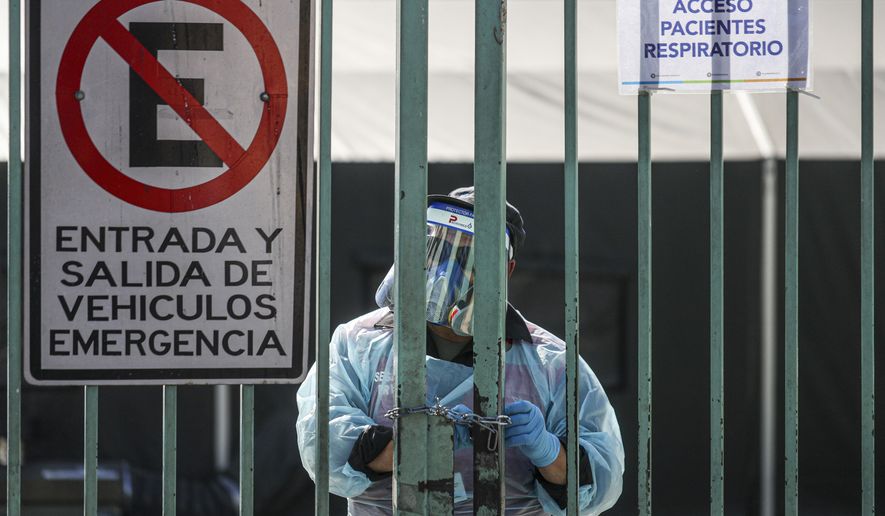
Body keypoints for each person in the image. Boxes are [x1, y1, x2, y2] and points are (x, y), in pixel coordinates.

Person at [296, 187, 624, 515]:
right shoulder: (359, 344)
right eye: (440, 250)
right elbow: (322, 442)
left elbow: (598, 484)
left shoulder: (551, 363)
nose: (446, 271)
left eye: (470, 257)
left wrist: (549, 451)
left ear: (505, 270)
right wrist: (422, 445)